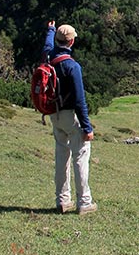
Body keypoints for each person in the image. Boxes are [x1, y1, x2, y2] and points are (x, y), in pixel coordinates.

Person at [41, 20, 97, 214]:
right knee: (80, 156)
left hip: (53, 114)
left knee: (61, 156)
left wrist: (50, 29)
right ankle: (84, 202)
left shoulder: (48, 56)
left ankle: (63, 201)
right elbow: (80, 100)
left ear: (57, 40)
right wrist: (87, 128)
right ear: (72, 42)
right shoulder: (72, 67)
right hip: (70, 116)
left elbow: (47, 44)